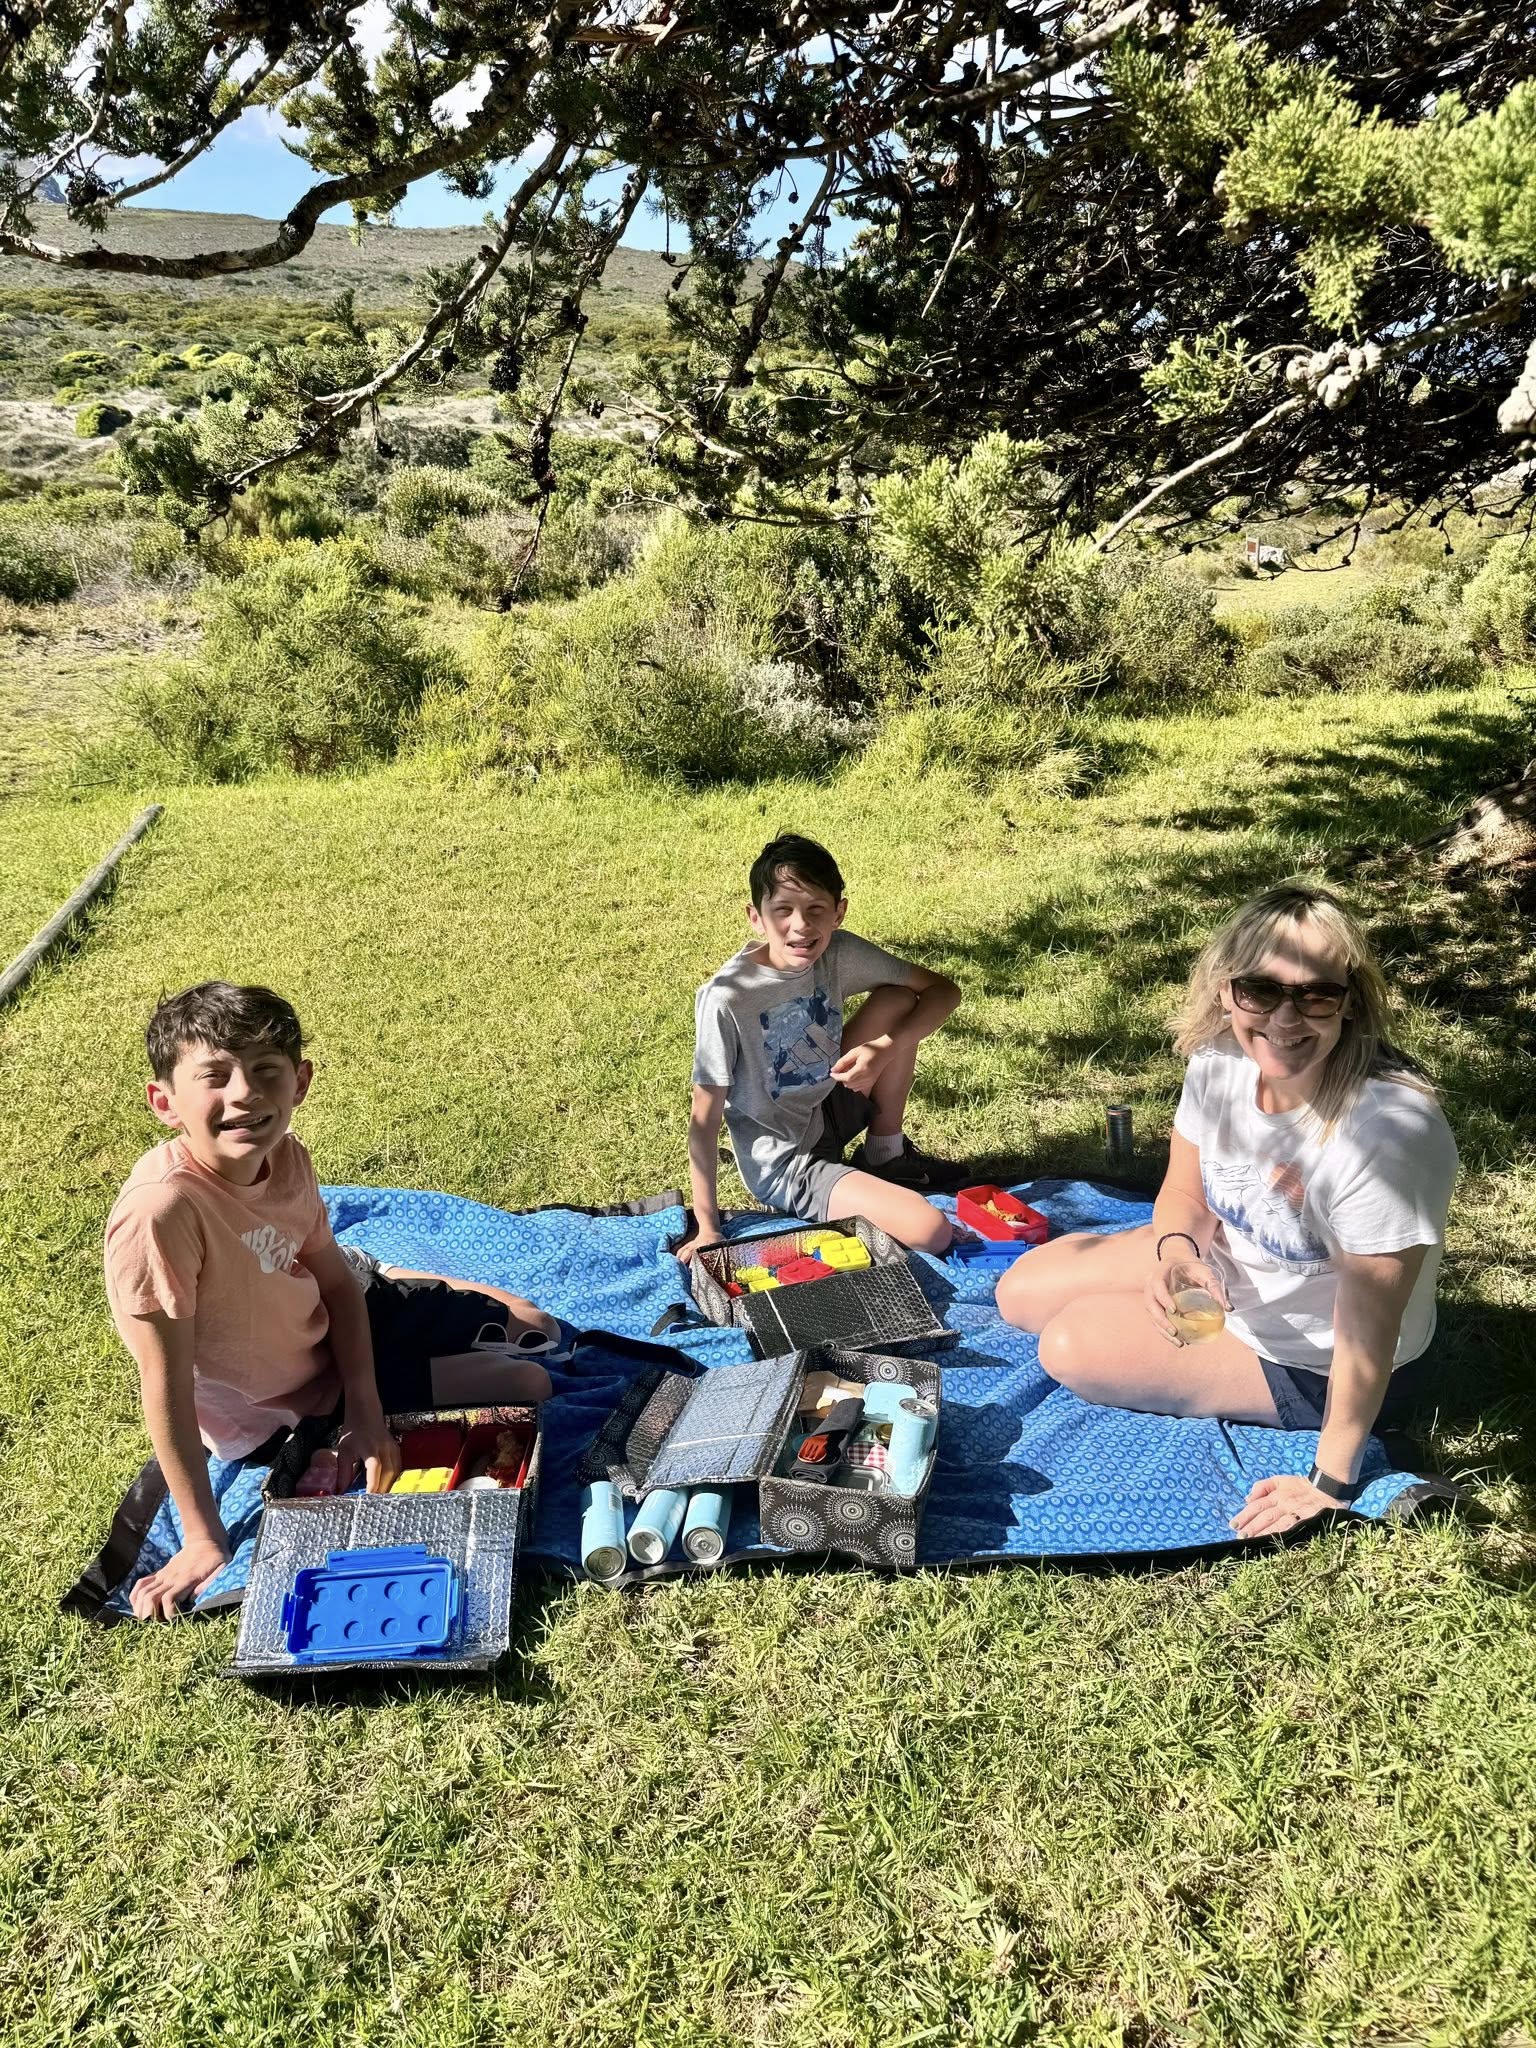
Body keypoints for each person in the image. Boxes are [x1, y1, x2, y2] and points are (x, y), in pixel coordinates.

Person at [996, 884, 1458, 1537]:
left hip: (1313, 1360)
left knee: (1071, 1342)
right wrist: (1176, 1254)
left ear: (1349, 1003)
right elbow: (1184, 1194)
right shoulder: (1220, 1063)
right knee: (1020, 1291)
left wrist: (1330, 1482)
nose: (1286, 1019)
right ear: (1224, 989)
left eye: (1315, 994)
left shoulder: (1388, 1134)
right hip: (1232, 1274)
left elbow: (1368, 1332)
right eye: (1260, 991)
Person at [104, 982, 558, 1621]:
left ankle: (392, 1271)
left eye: (266, 1071)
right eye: (215, 1075)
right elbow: (165, 1384)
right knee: (529, 1381)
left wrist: (368, 1413)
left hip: (344, 1315)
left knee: (539, 1326)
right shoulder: (163, 1212)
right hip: (288, 1408)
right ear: (164, 1101)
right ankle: (392, 1278)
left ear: (301, 1082)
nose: (244, 1094)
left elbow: (339, 1288)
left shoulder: (287, 1158)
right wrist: (204, 1536)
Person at [682, 834, 961, 1259]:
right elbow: (704, 1120)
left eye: (816, 910)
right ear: (756, 918)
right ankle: (850, 1181)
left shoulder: (838, 953)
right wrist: (708, 1228)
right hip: (789, 1162)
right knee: (933, 1230)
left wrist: (885, 1048)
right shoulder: (727, 998)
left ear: (838, 912)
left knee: (899, 1000)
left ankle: (886, 1154)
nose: (801, 926)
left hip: (827, 1099)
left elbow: (942, 990)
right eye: (784, 911)